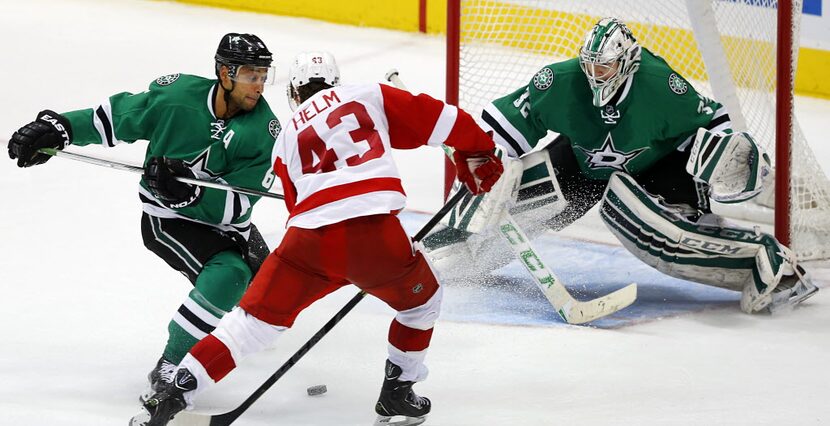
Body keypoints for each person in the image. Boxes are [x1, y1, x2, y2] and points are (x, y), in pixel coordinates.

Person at [129, 51, 503, 426]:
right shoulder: (366, 94)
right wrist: (477, 153)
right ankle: (398, 392)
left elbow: (297, 204)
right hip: (373, 238)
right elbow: (444, 120)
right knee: (423, 302)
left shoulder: (285, 135)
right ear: (335, 82)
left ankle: (175, 394)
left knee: (250, 324)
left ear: (294, 93)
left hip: (308, 244)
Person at [423, 17, 818, 315]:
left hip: (657, 167)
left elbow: (716, 125)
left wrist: (731, 159)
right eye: (590, 65)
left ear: (626, 63)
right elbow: (504, 126)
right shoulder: (558, 81)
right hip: (582, 162)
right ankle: (447, 253)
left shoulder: (660, 85)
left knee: (653, 233)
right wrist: (488, 162)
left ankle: (771, 265)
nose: (595, 75)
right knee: (522, 192)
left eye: (605, 68)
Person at [7, 33, 281, 399]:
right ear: (224, 73)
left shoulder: (265, 130)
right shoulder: (177, 97)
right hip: (167, 219)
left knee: (268, 297)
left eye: (264, 76)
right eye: (250, 75)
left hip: (229, 224)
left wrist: (192, 191)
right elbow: (117, 119)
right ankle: (170, 364)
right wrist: (62, 128)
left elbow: (237, 204)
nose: (259, 86)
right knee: (229, 277)